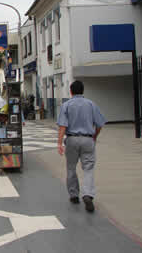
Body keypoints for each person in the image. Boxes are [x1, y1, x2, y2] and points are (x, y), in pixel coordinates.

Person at [57, 80, 106, 213]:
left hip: (72, 139)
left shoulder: (66, 105)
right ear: (83, 91)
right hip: (88, 139)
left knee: (71, 167)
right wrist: (94, 136)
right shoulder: (91, 104)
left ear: (71, 91)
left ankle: (74, 195)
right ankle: (87, 194)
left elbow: (62, 126)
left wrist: (59, 143)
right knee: (88, 168)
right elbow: (100, 123)